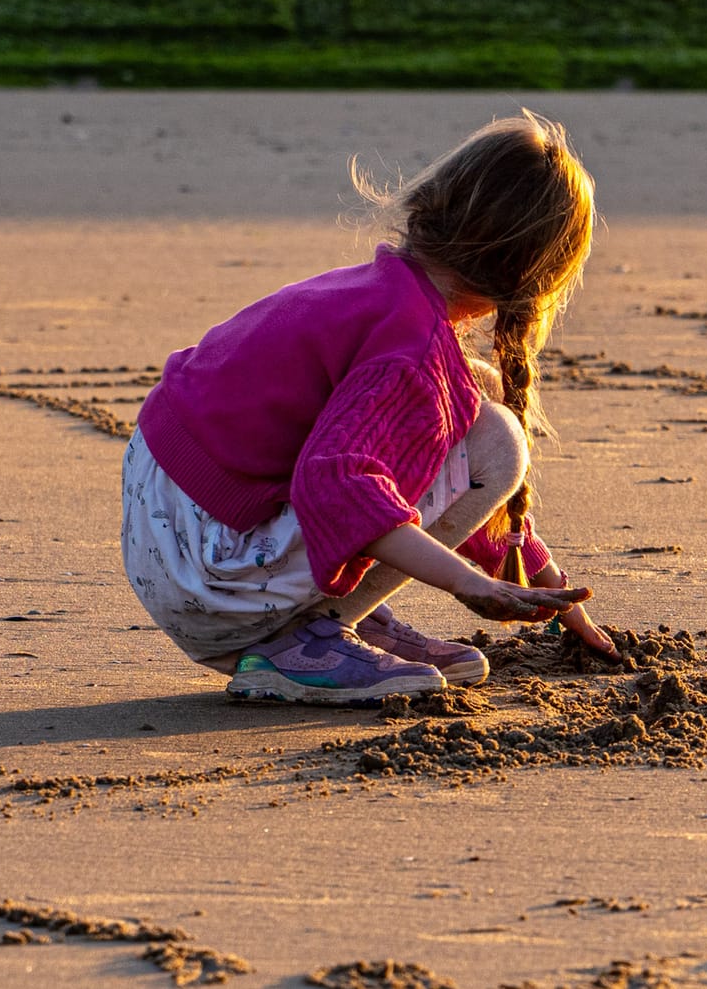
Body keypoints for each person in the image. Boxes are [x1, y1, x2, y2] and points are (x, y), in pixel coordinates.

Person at [120, 111, 618, 705]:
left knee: (473, 393)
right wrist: (467, 583)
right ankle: (304, 640)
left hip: (170, 529)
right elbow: (337, 482)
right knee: (498, 440)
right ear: (530, 276)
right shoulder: (411, 350)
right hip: (210, 575)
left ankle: (328, 613)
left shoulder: (380, 291)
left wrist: (545, 578)